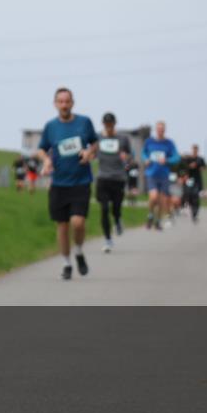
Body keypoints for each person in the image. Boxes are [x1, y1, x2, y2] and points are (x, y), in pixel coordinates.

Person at [37, 87, 98, 280]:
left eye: (67, 101)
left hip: (81, 181)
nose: (64, 105)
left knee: (78, 223)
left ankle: (78, 251)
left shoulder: (84, 122)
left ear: (72, 103)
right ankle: (66, 263)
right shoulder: (51, 126)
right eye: (60, 101)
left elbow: (95, 144)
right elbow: (41, 149)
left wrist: (89, 153)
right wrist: (46, 160)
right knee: (62, 226)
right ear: (55, 104)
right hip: (59, 184)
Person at [95, 112, 131, 253]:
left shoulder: (123, 139)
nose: (108, 126)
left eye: (111, 124)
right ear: (103, 124)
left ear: (115, 124)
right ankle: (108, 240)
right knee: (104, 209)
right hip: (103, 177)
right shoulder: (98, 137)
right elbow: (91, 151)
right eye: (106, 124)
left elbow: (130, 157)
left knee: (116, 208)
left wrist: (126, 158)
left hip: (118, 178)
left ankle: (117, 220)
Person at [141, 121, 179, 230]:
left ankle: (157, 221)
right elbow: (144, 153)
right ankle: (150, 215)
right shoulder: (149, 142)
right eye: (158, 129)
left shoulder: (169, 143)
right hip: (151, 173)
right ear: (156, 130)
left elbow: (176, 157)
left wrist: (167, 160)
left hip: (164, 175)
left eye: (162, 129)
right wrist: (146, 159)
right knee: (153, 197)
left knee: (162, 199)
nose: (160, 131)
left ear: (164, 130)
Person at [180, 144, 207, 223]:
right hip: (189, 179)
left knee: (195, 196)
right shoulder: (188, 159)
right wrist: (189, 166)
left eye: (196, 150)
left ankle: (195, 214)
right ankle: (184, 207)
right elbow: (183, 167)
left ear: (197, 150)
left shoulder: (200, 159)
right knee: (187, 194)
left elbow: (204, 168)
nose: (195, 151)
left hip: (197, 180)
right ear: (192, 150)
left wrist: (201, 168)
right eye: (193, 150)